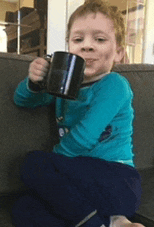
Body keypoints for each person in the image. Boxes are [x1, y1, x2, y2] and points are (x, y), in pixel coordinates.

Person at [12, 0, 144, 226]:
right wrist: (34, 83)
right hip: (82, 184)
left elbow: (85, 136)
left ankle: (103, 220)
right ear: (69, 47)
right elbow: (23, 101)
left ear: (119, 52)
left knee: (33, 163)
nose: (87, 46)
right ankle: (111, 222)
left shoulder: (114, 84)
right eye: (78, 39)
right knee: (23, 208)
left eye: (99, 39)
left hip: (118, 180)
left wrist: (52, 163)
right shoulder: (64, 83)